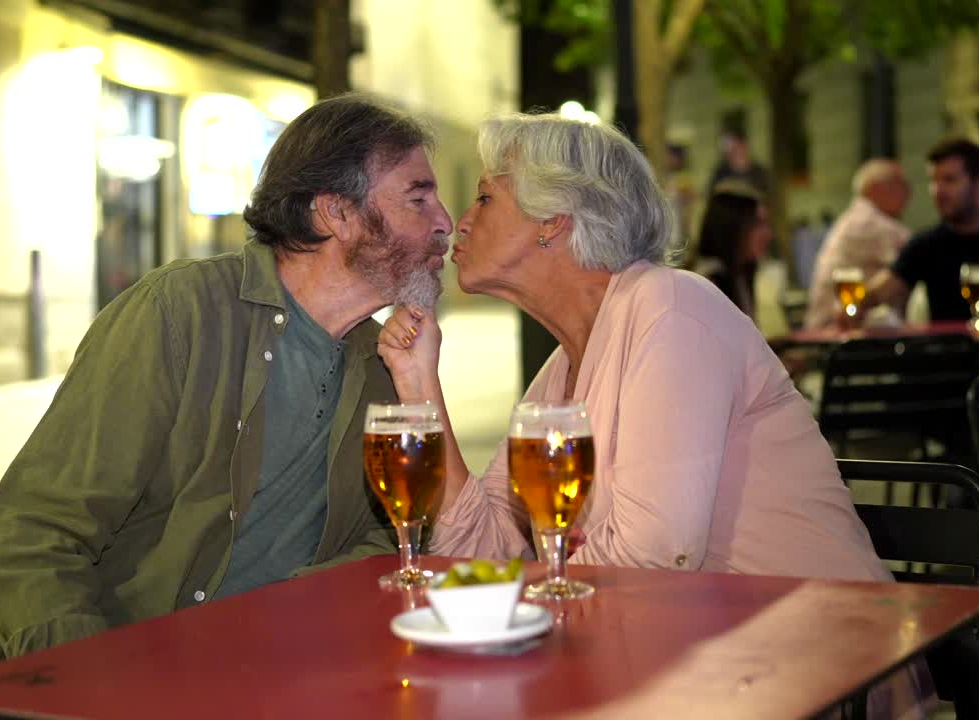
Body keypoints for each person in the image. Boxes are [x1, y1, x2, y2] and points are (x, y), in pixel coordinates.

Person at [376, 113, 931, 718]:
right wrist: (419, 384)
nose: (461, 220)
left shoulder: (672, 309)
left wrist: (524, 587)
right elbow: (479, 558)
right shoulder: (562, 370)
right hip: (679, 657)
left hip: (811, 665)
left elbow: (652, 560)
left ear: (554, 219)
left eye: (485, 196)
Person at [0, 94, 454, 664]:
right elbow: (35, 531)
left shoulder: (381, 360)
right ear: (334, 213)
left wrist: (292, 613)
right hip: (113, 671)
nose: (446, 223)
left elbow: (391, 537)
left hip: (265, 675)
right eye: (419, 198)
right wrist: (86, 679)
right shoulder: (180, 313)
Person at [864, 139, 979, 324]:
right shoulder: (927, 245)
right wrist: (853, 302)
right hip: (953, 351)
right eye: (933, 180)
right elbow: (881, 291)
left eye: (949, 180)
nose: (938, 190)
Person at [804, 159, 912, 329]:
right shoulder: (870, 222)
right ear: (878, 189)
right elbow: (920, 255)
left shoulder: (853, 218)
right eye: (901, 185)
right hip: (835, 330)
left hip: (833, 326)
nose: (909, 194)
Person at [691, 182, 772, 319]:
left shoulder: (740, 274)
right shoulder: (708, 284)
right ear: (731, 227)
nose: (769, 234)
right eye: (758, 224)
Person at [705, 128, 770, 198]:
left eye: (735, 147)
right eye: (728, 150)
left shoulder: (761, 174)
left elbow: (770, 201)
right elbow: (710, 197)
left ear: (744, 145)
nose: (732, 153)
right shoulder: (719, 174)